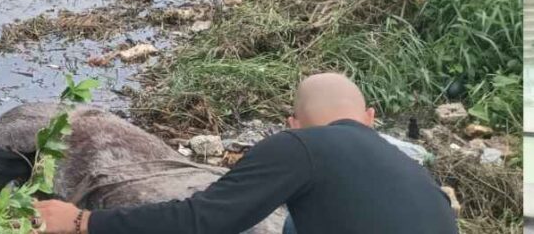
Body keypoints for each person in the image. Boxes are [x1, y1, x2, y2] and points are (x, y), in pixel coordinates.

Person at [33, 73, 458, 234]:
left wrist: (82, 222)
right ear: (370, 118)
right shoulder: (417, 173)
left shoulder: (300, 145)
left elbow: (202, 221)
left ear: (292, 124)